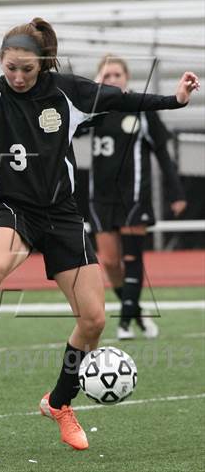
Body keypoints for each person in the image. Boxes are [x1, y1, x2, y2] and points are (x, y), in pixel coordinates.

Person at [0, 18, 199, 451]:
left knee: (94, 319)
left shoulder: (68, 91)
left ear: (43, 65)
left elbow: (124, 100)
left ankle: (59, 402)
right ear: (1, 62)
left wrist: (176, 100)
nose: (17, 77)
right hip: (13, 209)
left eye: (27, 70)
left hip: (63, 215)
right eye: (11, 67)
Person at [87, 55, 187, 340]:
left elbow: (162, 153)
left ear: (127, 78)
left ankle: (125, 322)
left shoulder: (142, 110)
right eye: (106, 76)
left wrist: (175, 191)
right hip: (101, 198)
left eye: (117, 75)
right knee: (108, 261)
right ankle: (136, 310)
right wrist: (93, 97)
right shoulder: (94, 111)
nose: (112, 80)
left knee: (132, 257)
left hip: (133, 195)